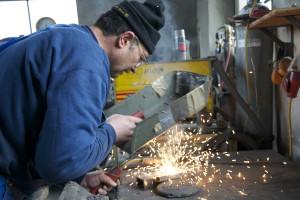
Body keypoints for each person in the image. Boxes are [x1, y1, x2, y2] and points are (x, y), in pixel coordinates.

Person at [0, 0, 165, 199]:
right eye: (141, 58)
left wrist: (80, 178)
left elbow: (45, 133)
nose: (135, 68)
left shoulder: (70, 36)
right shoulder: (87, 62)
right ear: (125, 39)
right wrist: (112, 132)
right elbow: (57, 164)